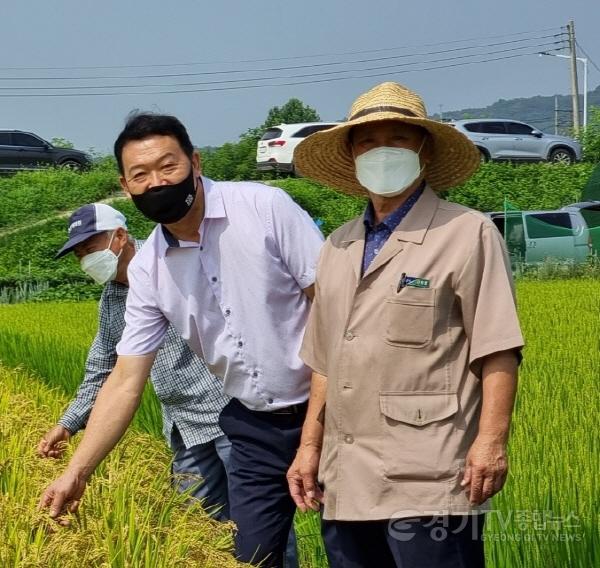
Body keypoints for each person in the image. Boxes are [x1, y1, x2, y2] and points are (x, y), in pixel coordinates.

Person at [38, 114, 323, 568]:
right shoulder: (150, 268)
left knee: (356, 544)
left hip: (330, 406)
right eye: (140, 175)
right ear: (126, 186)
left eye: (167, 166)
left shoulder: (265, 207)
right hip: (250, 424)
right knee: (253, 556)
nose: (156, 183)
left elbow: (332, 313)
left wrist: (313, 437)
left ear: (194, 161)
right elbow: (124, 378)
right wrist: (77, 473)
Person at [287, 82, 524, 568]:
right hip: (346, 474)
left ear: (423, 149)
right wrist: (309, 447)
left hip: (432, 472)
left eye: (397, 139)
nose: (382, 152)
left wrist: (491, 442)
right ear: (351, 155)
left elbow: (498, 347)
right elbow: (325, 361)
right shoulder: (337, 245)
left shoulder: (466, 232)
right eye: (368, 142)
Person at [38, 202, 232, 520]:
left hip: (229, 415)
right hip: (183, 425)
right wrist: (68, 423)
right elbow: (102, 367)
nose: (86, 260)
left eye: (90, 248)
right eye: (79, 255)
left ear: (120, 236)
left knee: (260, 533)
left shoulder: (170, 263)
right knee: (200, 526)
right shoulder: (113, 299)